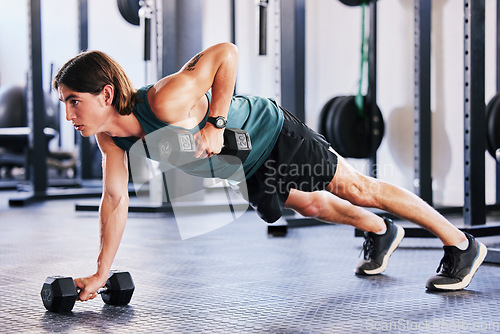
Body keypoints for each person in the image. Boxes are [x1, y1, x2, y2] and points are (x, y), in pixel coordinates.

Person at [53, 42, 487, 302]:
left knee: (358, 187)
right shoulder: (110, 140)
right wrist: (100, 272)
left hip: (272, 132)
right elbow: (114, 200)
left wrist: (214, 123)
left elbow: (226, 53)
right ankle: (380, 231)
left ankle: (463, 244)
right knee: (313, 205)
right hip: (245, 165)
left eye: (74, 100)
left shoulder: (163, 101)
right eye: (65, 103)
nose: (69, 113)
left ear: (105, 93)